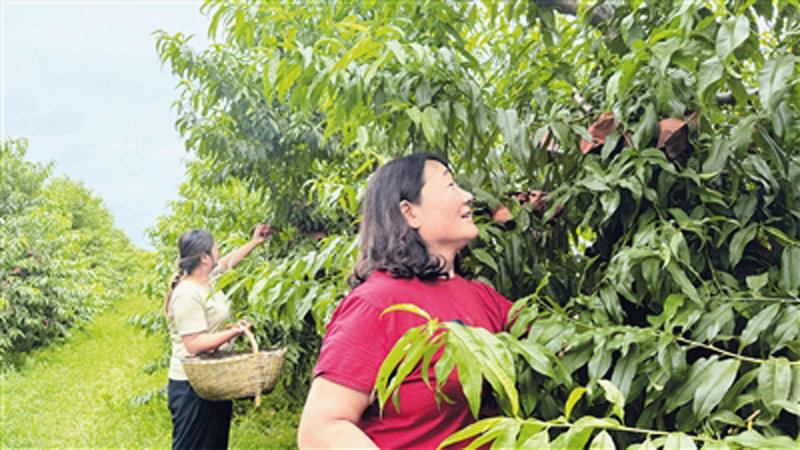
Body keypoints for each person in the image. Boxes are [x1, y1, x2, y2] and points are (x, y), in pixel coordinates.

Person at [297, 153, 513, 449]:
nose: (468, 196)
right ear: (410, 213)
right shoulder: (377, 305)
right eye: (450, 186)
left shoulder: (483, 297)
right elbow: (321, 430)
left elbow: (559, 345)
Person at [164, 224, 272, 450]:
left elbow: (226, 264)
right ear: (204, 258)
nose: (219, 251)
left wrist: (254, 242)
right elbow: (194, 344)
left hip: (213, 378)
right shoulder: (187, 293)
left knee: (214, 444)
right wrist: (232, 332)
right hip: (191, 385)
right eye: (215, 248)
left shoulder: (208, 279)